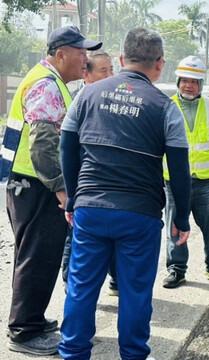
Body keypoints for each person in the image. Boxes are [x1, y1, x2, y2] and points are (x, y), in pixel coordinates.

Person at [57, 28, 191, 360]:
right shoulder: (166, 108)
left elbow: (67, 149)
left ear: (120, 59)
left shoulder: (86, 95)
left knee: (82, 285)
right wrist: (181, 217)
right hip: (140, 213)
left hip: (91, 206)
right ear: (160, 65)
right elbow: (180, 169)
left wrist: (74, 197)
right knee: (135, 290)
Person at [0, 26, 101, 356]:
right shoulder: (46, 85)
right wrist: (61, 188)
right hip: (37, 186)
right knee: (37, 257)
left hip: (28, 184)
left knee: (36, 255)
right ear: (61, 54)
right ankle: (24, 332)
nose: (85, 58)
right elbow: (43, 145)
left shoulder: (48, 80)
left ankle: (32, 318)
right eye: (81, 52)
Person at [162, 55, 209, 289]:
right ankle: (177, 269)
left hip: (206, 183)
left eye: (193, 81)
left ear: (200, 84)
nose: (188, 85)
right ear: (178, 81)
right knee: (174, 227)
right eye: (184, 80)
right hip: (174, 182)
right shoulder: (167, 106)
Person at [61, 50, 117, 295]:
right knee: (76, 239)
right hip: (85, 185)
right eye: (103, 71)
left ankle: (116, 278)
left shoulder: (115, 100)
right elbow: (68, 149)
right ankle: (70, 281)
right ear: (87, 74)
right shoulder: (79, 102)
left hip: (109, 182)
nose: (110, 75)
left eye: (111, 70)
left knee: (114, 235)